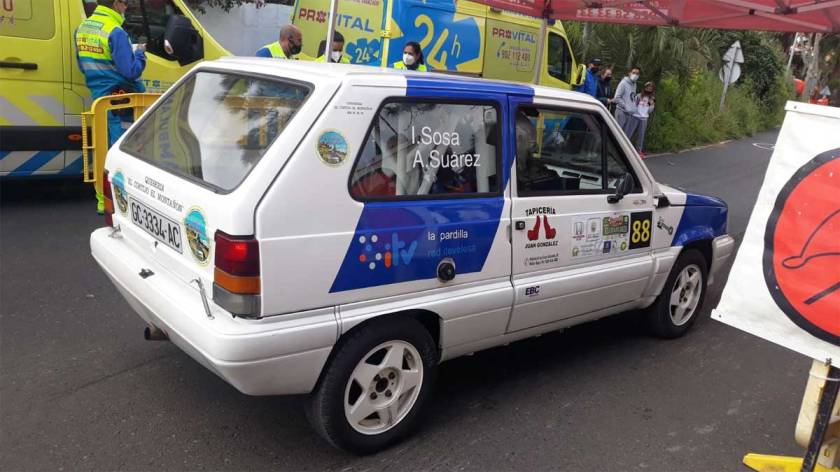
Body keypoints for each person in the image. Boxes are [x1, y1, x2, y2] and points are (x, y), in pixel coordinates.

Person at [75, 0, 147, 213]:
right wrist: (140, 53)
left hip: (99, 99)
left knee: (101, 150)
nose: (126, 7)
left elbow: (83, 66)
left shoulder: (82, 28)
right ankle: (118, 203)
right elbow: (131, 71)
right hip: (121, 99)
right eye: (125, 3)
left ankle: (102, 201)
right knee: (121, 152)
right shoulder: (115, 32)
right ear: (116, 4)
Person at [625, 81, 655, 157]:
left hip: (644, 119)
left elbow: (650, 110)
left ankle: (638, 152)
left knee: (641, 136)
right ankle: (624, 148)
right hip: (635, 116)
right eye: (648, 87)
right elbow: (633, 105)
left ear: (652, 90)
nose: (649, 89)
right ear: (645, 88)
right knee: (629, 133)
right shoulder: (638, 96)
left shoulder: (652, 99)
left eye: (650, 88)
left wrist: (651, 104)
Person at [614, 66, 640, 135]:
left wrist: (633, 107)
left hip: (629, 114)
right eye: (633, 73)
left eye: (637, 74)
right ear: (629, 73)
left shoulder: (634, 84)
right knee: (617, 134)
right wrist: (626, 106)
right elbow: (616, 97)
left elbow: (631, 97)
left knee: (624, 135)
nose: (635, 75)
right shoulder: (623, 83)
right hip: (621, 112)